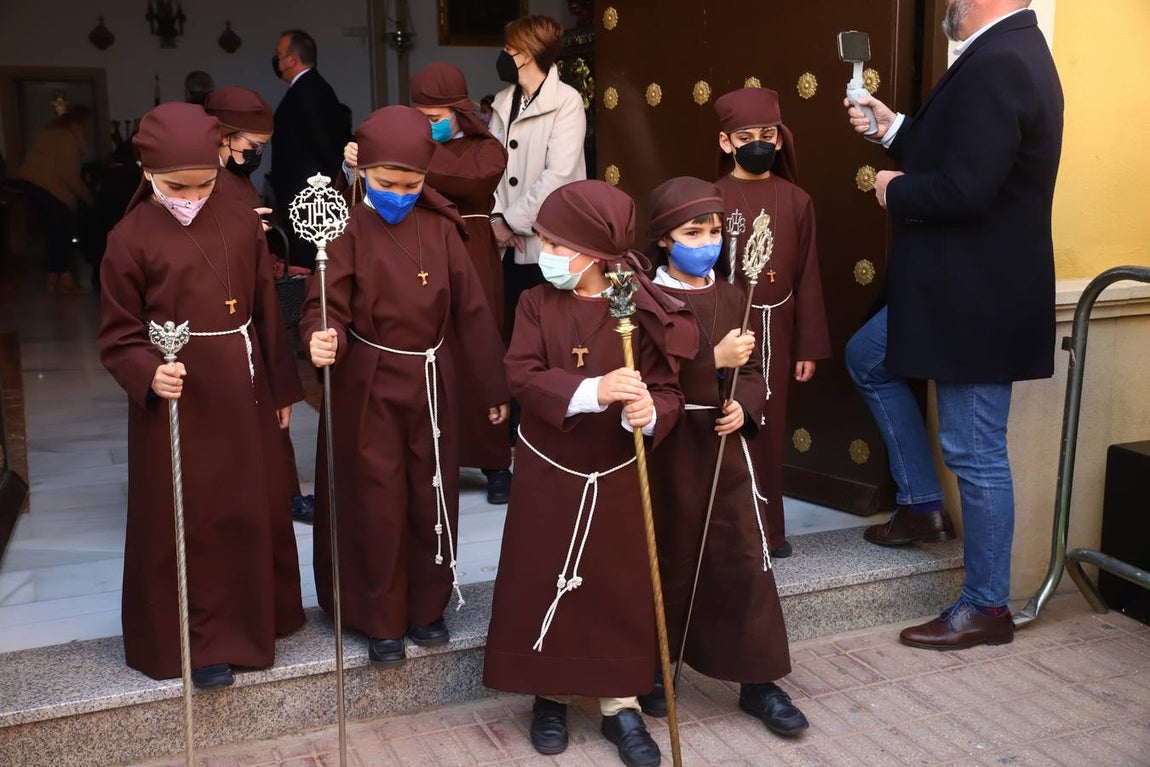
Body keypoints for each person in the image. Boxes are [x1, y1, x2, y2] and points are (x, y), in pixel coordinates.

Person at [843, 0, 1063, 651]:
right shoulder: (1004, 52)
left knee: (975, 450)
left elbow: (967, 188)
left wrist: (894, 189)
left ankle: (986, 606)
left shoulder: (1002, 60)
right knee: (868, 356)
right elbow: (969, 153)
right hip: (954, 291)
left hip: (976, 298)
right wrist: (894, 127)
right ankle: (921, 504)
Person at [483, 180, 696, 767]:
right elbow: (521, 374)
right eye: (544, 240)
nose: (544, 253)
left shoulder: (637, 306)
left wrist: (650, 411)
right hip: (550, 469)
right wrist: (593, 390)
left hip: (617, 471)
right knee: (543, 574)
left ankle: (619, 703)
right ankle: (549, 695)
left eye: (555, 243)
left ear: (594, 251)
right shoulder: (535, 303)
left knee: (614, 584)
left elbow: (669, 391)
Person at [97, 102, 306, 687]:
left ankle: (256, 621)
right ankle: (198, 639)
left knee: (247, 502)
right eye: (176, 187)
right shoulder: (128, 238)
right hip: (176, 395)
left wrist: (281, 385)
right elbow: (118, 333)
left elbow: (266, 310)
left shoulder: (239, 221)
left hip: (242, 386)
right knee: (189, 512)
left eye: (204, 184)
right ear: (147, 173)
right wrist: (146, 372)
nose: (191, 197)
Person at [301, 106, 509, 668]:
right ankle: (379, 617)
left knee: (431, 490)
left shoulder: (441, 229)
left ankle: (426, 606)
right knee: (377, 498)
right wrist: (321, 336)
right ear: (363, 172)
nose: (398, 194)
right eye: (385, 183)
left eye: (411, 185)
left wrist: (494, 388)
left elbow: (473, 312)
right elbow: (323, 304)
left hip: (432, 379)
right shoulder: (342, 228)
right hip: (366, 380)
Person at [637, 176, 810, 737]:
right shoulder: (643, 299)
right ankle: (656, 665)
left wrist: (745, 405)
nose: (707, 242)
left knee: (742, 557)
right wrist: (710, 362)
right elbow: (645, 374)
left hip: (723, 449)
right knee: (668, 554)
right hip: (669, 450)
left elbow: (752, 370)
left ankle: (757, 678)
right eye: (693, 233)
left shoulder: (735, 296)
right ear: (664, 238)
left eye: (714, 232)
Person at [344, 63, 513, 504]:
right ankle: (439, 454)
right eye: (418, 117)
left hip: (472, 249)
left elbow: (471, 183)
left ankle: (494, 461)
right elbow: (368, 196)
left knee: (477, 339)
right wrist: (367, 163)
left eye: (434, 118)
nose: (426, 125)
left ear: (460, 111)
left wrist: (398, 154)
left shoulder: (487, 149)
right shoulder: (407, 168)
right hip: (413, 248)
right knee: (434, 349)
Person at [713, 87, 831, 559]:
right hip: (726, 331)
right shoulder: (713, 196)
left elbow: (809, 277)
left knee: (770, 425)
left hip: (777, 331)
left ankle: (770, 531)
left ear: (780, 139)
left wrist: (808, 347)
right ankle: (729, 532)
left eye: (767, 134)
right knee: (725, 421)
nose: (759, 144)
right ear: (726, 142)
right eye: (746, 137)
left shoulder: (797, 200)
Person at [205, 85, 316, 525]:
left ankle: (282, 492)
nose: (256, 156)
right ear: (222, 135)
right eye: (253, 146)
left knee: (271, 400)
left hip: (252, 303)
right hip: (218, 315)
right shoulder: (196, 178)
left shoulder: (236, 176)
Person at [488, 14, 587, 339]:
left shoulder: (567, 102)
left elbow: (558, 176)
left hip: (548, 246)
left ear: (527, 54)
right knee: (512, 334)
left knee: (551, 336)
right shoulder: (503, 102)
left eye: (508, 49)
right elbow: (489, 168)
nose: (503, 55)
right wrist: (495, 218)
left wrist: (510, 222)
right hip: (505, 248)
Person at [271, 29, 352, 270]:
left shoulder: (309, 89)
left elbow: (323, 143)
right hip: (307, 197)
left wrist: (331, 190)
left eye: (279, 55)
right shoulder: (309, 87)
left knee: (313, 262)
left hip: (311, 200)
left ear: (292, 59)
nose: (276, 61)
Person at [17, 105, 95, 293]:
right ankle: (65, 279)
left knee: (54, 233)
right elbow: (68, 174)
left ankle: (53, 278)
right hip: (48, 187)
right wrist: (86, 196)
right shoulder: (68, 138)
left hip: (33, 184)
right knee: (64, 229)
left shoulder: (53, 133)